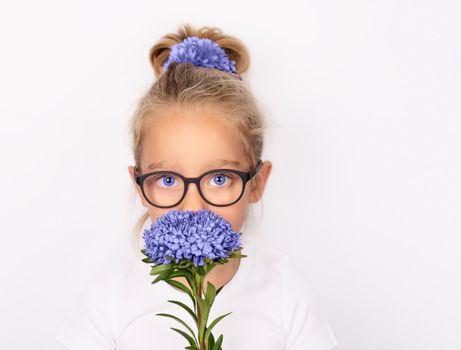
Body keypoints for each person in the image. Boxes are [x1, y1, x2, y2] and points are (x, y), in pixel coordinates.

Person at [56, 23, 339, 349]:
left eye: (219, 179)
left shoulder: (285, 293)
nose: (193, 207)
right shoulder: (111, 294)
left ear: (257, 183)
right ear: (139, 186)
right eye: (167, 180)